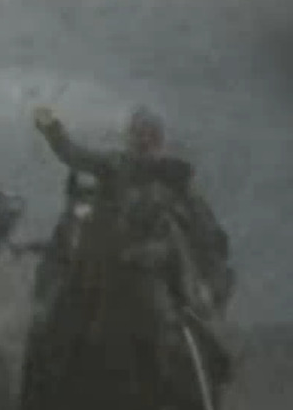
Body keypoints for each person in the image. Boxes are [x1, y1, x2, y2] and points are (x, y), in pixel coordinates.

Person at [30, 104, 234, 396]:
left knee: (166, 325)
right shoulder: (114, 165)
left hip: (156, 275)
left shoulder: (177, 179)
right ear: (130, 138)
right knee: (54, 324)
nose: (144, 141)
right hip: (103, 270)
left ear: (160, 140)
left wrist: (168, 256)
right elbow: (73, 154)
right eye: (138, 134)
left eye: (151, 135)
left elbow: (202, 236)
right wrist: (53, 130)